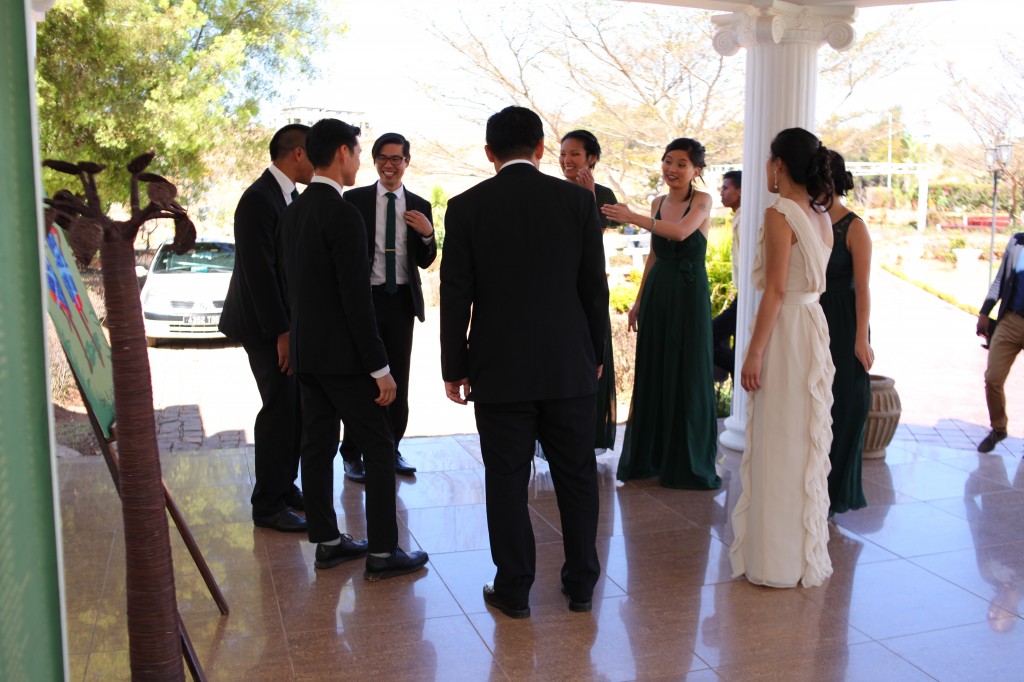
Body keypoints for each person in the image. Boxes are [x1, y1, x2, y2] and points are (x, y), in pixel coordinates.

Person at [440, 106, 608, 618]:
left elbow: (456, 293)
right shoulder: (577, 202)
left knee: (506, 478)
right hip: (568, 366)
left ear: (490, 153)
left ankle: (514, 589)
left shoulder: (467, 207)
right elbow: (593, 288)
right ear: (539, 149)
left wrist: (454, 365)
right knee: (576, 475)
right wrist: (596, 354)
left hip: (498, 367)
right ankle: (580, 585)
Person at [278, 118, 428, 578]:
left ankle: (326, 540)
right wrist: (380, 367)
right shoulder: (343, 213)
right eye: (361, 153)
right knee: (380, 447)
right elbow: (354, 299)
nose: (362, 161)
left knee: (317, 446)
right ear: (343, 152)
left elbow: (293, 288)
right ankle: (384, 553)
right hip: (345, 360)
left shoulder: (295, 210)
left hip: (309, 354)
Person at [729, 127, 836, 589]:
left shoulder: (780, 214)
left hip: (787, 331)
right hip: (812, 328)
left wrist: (753, 353)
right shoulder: (821, 214)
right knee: (802, 442)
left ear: (778, 164)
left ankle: (774, 562)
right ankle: (794, 557)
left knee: (778, 441)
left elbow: (773, 290)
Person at [601, 138, 721, 490]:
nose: (672, 169)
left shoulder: (702, 200)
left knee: (688, 372)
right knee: (654, 369)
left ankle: (688, 462)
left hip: (688, 295)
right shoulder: (657, 202)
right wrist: (639, 301)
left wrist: (633, 217)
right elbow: (654, 255)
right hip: (658, 292)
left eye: (681, 163)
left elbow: (682, 232)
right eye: (668, 161)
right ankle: (649, 457)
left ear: (696, 170)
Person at [219, 123, 311, 533]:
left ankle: (283, 485)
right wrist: (282, 332)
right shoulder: (258, 199)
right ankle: (267, 504)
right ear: (297, 154)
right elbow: (261, 273)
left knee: (295, 409)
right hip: (264, 325)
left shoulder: (289, 195)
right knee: (279, 408)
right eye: (315, 153)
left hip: (284, 324)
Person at [339, 133, 437, 481]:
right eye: (383, 157)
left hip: (400, 304)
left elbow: (427, 261)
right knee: (362, 378)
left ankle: (390, 448)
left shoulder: (419, 205)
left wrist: (427, 234)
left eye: (397, 158)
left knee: (398, 378)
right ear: (375, 161)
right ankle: (352, 453)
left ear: (407, 162)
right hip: (363, 301)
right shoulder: (354, 200)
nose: (389, 165)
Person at [822, 152, 873, 516]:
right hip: (810, 317)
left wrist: (861, 339)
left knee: (846, 402)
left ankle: (834, 491)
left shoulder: (854, 226)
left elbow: (864, 288)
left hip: (844, 322)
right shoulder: (806, 219)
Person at [559, 129, 617, 452]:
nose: (567, 160)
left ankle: (587, 437)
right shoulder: (550, 189)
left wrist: (590, 197)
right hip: (556, 281)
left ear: (591, 158)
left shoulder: (604, 193)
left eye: (575, 154)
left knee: (591, 352)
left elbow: (592, 236)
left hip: (589, 281)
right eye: (563, 154)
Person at [976, 231, 1024, 452]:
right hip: (1010, 320)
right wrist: (985, 312)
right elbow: (1000, 280)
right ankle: (999, 428)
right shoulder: (1016, 241)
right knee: (993, 379)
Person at [712, 169, 742, 376]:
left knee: (706, 337)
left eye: (725, 188)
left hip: (748, 296)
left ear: (740, 191)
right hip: (743, 295)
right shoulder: (738, 218)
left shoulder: (744, 219)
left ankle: (740, 370)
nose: (721, 193)